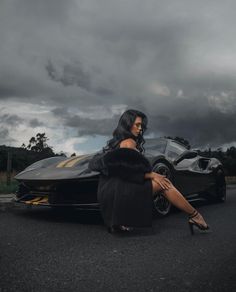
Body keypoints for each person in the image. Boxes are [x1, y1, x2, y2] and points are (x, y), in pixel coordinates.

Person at [89, 109, 209, 234]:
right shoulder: (129, 142)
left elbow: (118, 167)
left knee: (158, 182)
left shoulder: (117, 143)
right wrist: (151, 175)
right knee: (165, 184)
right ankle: (195, 216)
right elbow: (124, 168)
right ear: (127, 124)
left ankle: (121, 221)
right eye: (137, 125)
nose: (140, 128)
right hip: (119, 193)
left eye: (142, 125)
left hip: (109, 193)